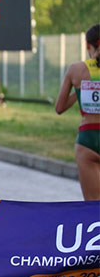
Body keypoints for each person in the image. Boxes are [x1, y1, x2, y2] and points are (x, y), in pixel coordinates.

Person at [56, 24, 100, 201]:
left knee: (92, 206)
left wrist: (79, 90)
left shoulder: (76, 70)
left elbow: (59, 108)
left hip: (87, 140)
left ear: (87, 45)